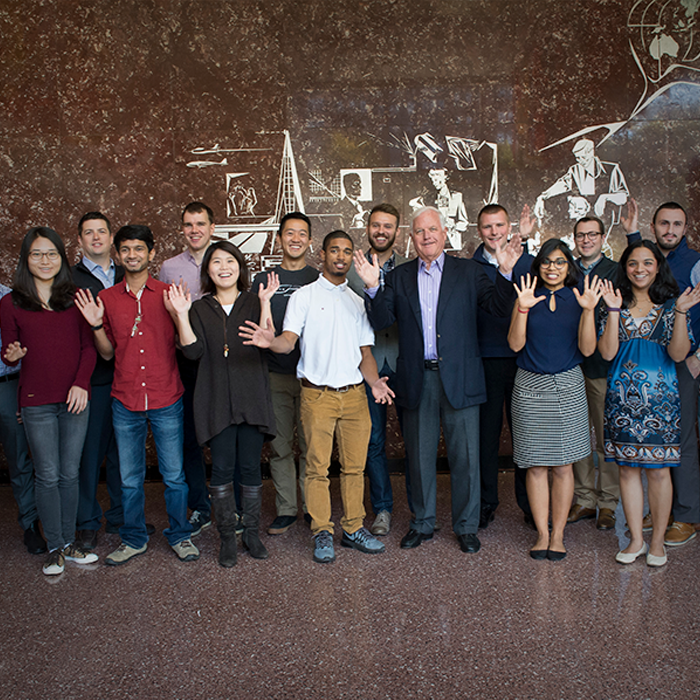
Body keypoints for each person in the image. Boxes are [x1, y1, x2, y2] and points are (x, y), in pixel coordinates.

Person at [356, 206, 522, 554]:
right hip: (418, 379)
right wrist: (373, 288)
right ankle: (422, 523)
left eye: (432, 230)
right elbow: (383, 320)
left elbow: (496, 308)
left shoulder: (468, 271)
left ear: (444, 234)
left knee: (466, 458)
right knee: (419, 458)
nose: (426, 236)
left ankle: (466, 526)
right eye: (419, 232)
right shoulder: (399, 276)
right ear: (411, 238)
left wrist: (505, 274)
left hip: (460, 377)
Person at [240, 230, 393, 564]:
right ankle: (322, 531)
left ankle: (353, 528)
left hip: (354, 396)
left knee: (354, 468)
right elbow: (288, 342)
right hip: (317, 396)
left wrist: (375, 385)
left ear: (353, 257)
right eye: (334, 250)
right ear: (322, 254)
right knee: (317, 468)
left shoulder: (357, 300)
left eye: (346, 251)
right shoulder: (305, 296)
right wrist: (270, 341)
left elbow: (365, 352)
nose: (340, 256)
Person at [75, 224, 198, 566]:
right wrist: (97, 325)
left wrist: (181, 313)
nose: (132, 255)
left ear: (151, 253)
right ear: (118, 255)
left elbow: (188, 346)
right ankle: (133, 537)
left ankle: (180, 534)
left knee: (174, 476)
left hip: (166, 397)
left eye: (139, 249)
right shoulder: (108, 299)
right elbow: (107, 354)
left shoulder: (169, 293)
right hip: (125, 399)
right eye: (126, 249)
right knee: (130, 479)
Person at [167, 241, 277, 567]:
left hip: (252, 397)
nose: (224, 267)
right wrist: (182, 316)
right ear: (208, 270)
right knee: (223, 471)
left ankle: (251, 533)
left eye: (230, 261)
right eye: (217, 262)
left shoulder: (254, 301)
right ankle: (227, 537)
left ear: (240, 267)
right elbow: (192, 352)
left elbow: (269, 341)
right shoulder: (200, 308)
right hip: (215, 400)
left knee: (250, 469)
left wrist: (267, 303)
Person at [0, 227, 97, 576]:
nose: (45, 260)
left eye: (51, 253)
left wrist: (81, 384)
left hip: (75, 398)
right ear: (26, 259)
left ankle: (70, 543)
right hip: (34, 400)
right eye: (37, 254)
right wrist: (12, 354)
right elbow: (10, 355)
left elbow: (89, 349)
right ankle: (54, 546)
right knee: (47, 474)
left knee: (70, 474)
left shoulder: (76, 297)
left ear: (62, 257)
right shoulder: (11, 302)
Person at [599, 241, 700, 567]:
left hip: (661, 402)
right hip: (622, 402)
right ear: (624, 268)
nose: (639, 269)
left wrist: (682, 312)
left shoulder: (673, 306)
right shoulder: (613, 303)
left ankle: (657, 542)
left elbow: (678, 354)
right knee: (628, 470)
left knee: (658, 472)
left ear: (658, 267)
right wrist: (613, 310)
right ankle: (636, 541)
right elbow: (608, 353)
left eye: (647, 262)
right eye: (632, 263)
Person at [508, 238, 601, 561]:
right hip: (530, 387)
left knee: (563, 466)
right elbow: (515, 345)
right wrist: (522, 307)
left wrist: (588, 311)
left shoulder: (579, 298)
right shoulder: (527, 295)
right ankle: (542, 534)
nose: (552, 268)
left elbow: (588, 350)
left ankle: (559, 535)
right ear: (538, 266)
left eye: (560, 262)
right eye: (547, 262)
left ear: (568, 266)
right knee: (534, 465)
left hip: (568, 385)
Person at [250, 212, 318, 536]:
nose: (295, 239)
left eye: (301, 233)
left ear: (309, 240)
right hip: (274, 375)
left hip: (311, 377)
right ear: (279, 239)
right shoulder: (262, 280)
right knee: (279, 447)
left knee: (310, 447)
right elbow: (255, 328)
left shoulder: (318, 279)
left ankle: (311, 508)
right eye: (289, 233)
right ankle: (286, 509)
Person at [472, 204, 534, 530]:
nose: (494, 232)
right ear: (478, 230)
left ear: (509, 227)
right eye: (487, 227)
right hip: (485, 362)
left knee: (524, 437)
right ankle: (485, 502)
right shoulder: (470, 268)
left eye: (499, 226)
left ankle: (528, 504)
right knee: (487, 438)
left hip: (523, 362)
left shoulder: (528, 263)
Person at [346, 203, 407, 536]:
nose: (381, 231)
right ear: (367, 227)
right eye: (376, 225)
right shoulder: (351, 270)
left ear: (397, 231)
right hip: (365, 366)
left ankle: (421, 510)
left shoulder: (410, 270)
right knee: (373, 442)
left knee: (416, 439)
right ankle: (382, 509)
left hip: (403, 361)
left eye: (388, 226)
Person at [159, 202, 215, 537]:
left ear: (212, 226)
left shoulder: (225, 259)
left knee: (224, 434)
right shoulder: (169, 267)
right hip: (184, 363)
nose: (194, 230)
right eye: (188, 224)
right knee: (189, 438)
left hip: (219, 362)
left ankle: (233, 507)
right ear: (182, 229)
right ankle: (200, 506)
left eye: (200, 223)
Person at [71, 211, 125, 550]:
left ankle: (120, 517)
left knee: (122, 455)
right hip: (92, 380)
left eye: (101, 232)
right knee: (89, 455)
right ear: (79, 240)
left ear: (110, 238)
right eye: (88, 233)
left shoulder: (126, 273)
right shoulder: (69, 278)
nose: (95, 238)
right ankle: (87, 521)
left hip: (128, 378)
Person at [647, 202, 700, 547]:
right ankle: (663, 509)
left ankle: (687, 515)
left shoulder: (695, 263)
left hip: (688, 362)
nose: (670, 229)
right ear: (654, 227)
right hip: (654, 362)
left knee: (682, 439)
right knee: (660, 438)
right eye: (664, 223)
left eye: (676, 224)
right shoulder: (648, 260)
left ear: (685, 227)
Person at [0, 282, 44, 555]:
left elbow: (33, 348)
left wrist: (24, 394)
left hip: (7, 384)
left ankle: (30, 524)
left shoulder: (9, 297)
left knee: (18, 460)